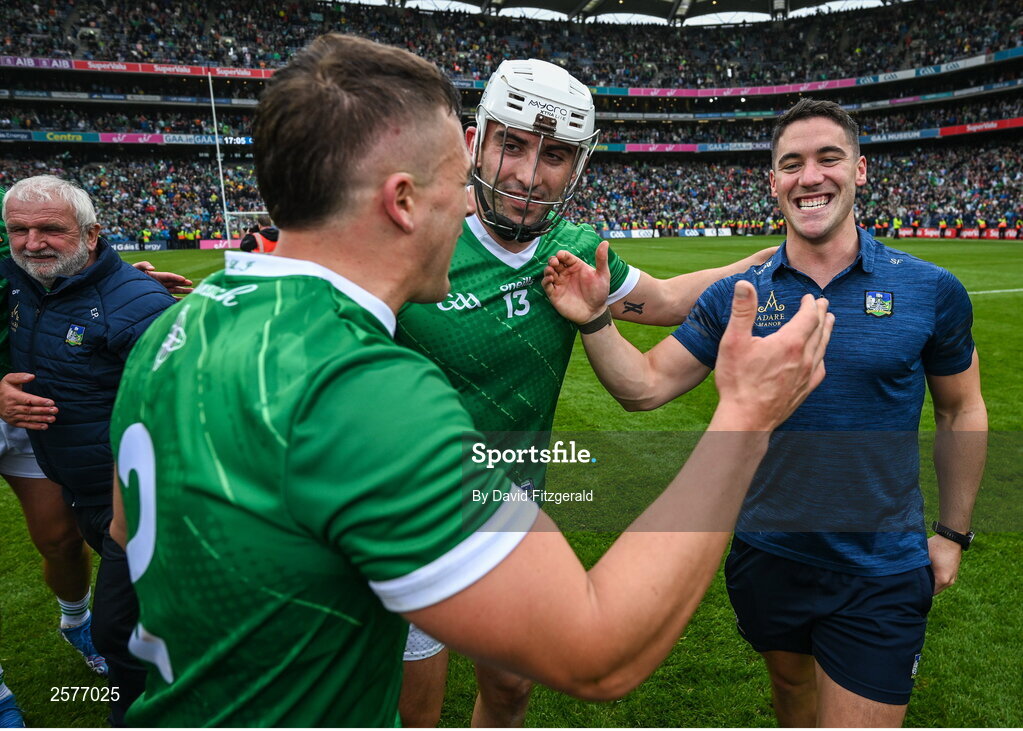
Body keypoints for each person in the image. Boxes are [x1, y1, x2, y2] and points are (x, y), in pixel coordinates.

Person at [108, 33, 832, 728]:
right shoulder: (365, 391)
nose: (477, 197)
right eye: (457, 179)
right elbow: (599, 653)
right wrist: (744, 414)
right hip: (417, 511)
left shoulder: (174, 330)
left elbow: (122, 536)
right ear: (403, 199)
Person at [541, 98, 987, 727]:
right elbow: (642, 387)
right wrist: (595, 320)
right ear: (773, 180)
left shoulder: (931, 290)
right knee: (791, 699)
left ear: (860, 170)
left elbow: (962, 410)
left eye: (829, 159)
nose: (811, 177)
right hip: (766, 553)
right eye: (792, 164)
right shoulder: (739, 295)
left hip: (881, 568)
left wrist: (953, 533)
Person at [395, 58, 776, 727]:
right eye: (511, 143)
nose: (526, 172)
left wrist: (775, 256)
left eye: (555, 154)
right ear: (475, 139)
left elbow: (663, 301)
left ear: (577, 167)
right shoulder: (416, 232)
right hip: (405, 511)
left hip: (505, 512)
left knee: (511, 688)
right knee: (413, 710)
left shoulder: (574, 250)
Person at [0, 175, 178, 726]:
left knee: (124, 623)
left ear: (91, 232)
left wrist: (128, 292)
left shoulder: (132, 305)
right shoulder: (19, 275)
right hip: (83, 479)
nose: (31, 243)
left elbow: (181, 414)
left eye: (49, 229)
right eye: (18, 230)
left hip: (129, 492)